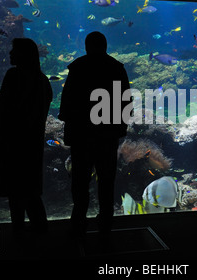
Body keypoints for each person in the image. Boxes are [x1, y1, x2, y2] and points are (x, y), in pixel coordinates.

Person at [58, 31, 131, 242]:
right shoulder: (116, 68)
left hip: (82, 136)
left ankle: (78, 222)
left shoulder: (78, 67)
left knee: (80, 182)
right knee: (107, 181)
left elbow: (67, 104)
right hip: (107, 136)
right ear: (105, 46)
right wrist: (119, 130)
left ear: (87, 46)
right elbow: (125, 103)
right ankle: (106, 224)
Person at [0, 38, 53, 236]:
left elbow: (3, 110)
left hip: (13, 143)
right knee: (31, 192)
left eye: (14, 50)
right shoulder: (42, 80)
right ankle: (41, 234)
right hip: (33, 145)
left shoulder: (14, 75)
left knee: (15, 193)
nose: (10, 54)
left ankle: (19, 232)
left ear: (23, 54)